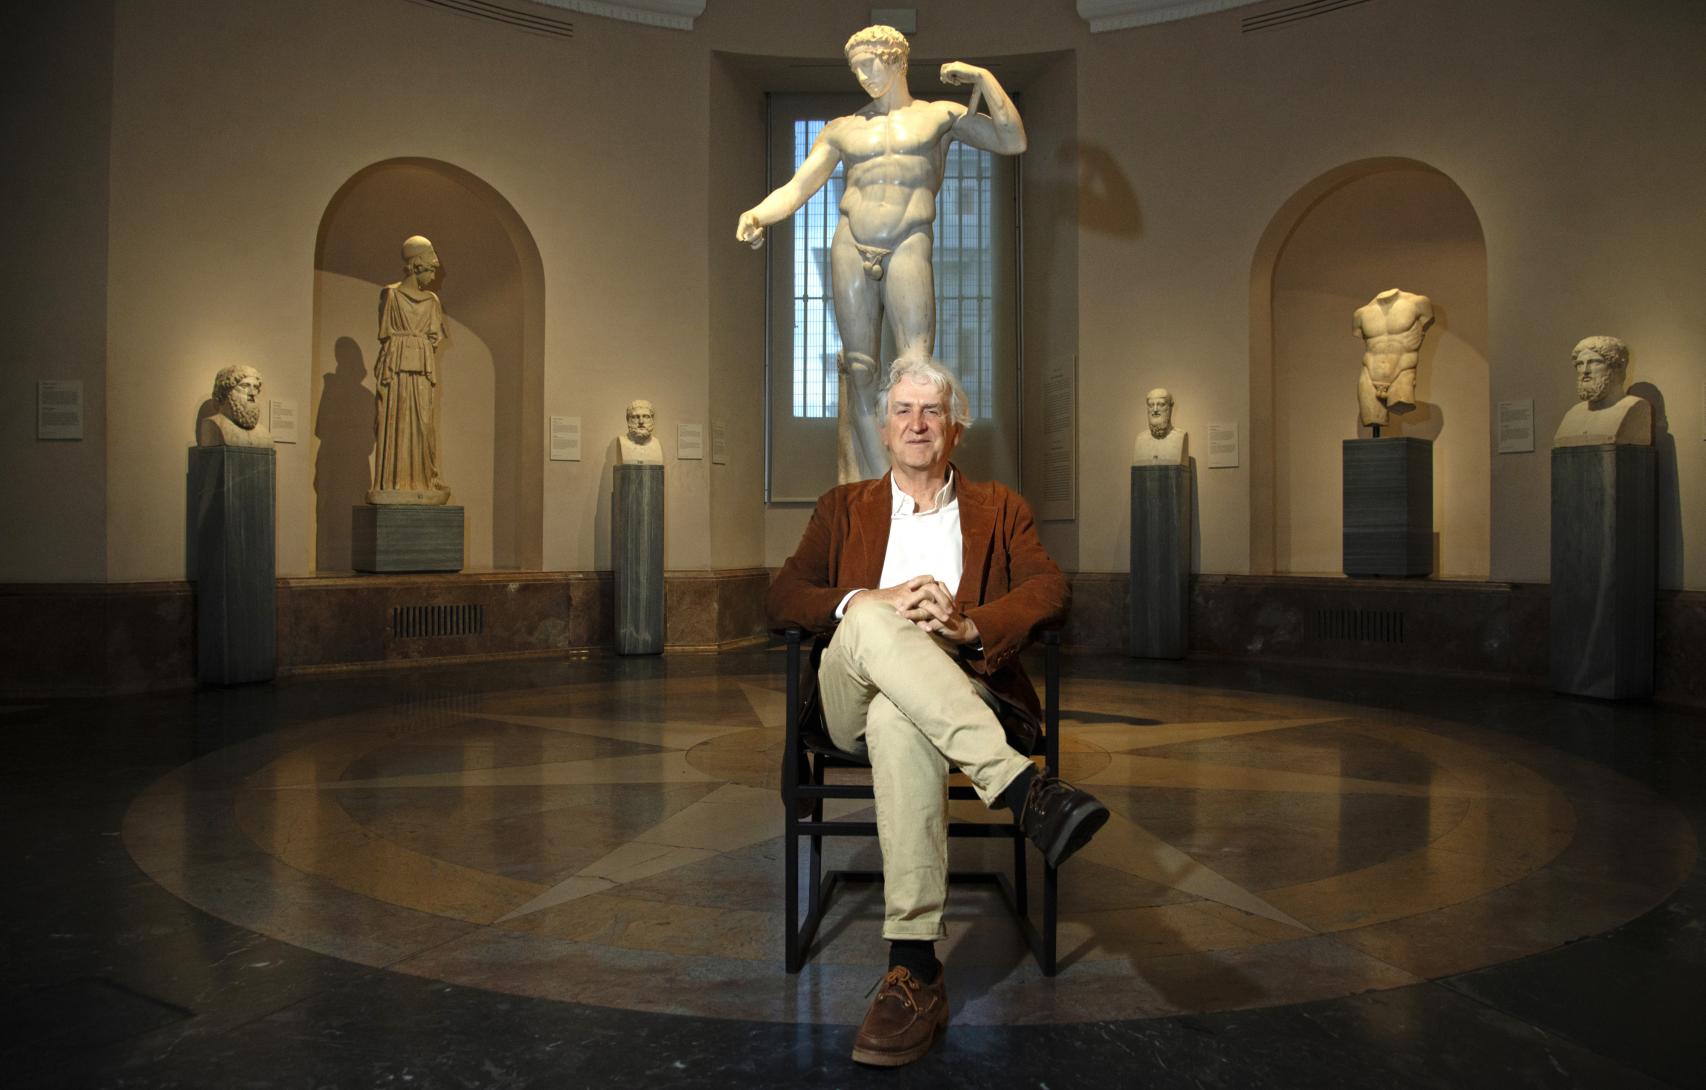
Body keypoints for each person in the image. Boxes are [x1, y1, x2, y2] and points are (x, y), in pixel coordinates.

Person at [767, 356, 1108, 1067]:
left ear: (956, 428)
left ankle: (914, 966)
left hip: (956, 691)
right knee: (864, 620)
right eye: (902, 411)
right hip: (845, 700)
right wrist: (871, 603)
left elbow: (1051, 588)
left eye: (932, 411)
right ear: (884, 430)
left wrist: (968, 624)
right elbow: (785, 594)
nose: (917, 423)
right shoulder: (843, 507)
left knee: (903, 719)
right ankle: (1021, 787)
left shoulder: (999, 508)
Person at [737, 25, 1027, 484]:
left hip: (909, 238)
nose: (863, 77)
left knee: (915, 367)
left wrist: (982, 79)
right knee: (860, 367)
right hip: (851, 241)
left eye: (869, 66)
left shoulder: (938, 117)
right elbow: (798, 187)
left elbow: (1012, 140)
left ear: (895, 60)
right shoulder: (843, 130)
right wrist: (758, 214)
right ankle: (877, 487)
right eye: (855, 70)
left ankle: (912, 479)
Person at [369, 235, 451, 505]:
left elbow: (435, 338)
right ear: (417, 265)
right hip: (398, 370)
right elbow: (387, 337)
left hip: (421, 373)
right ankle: (392, 482)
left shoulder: (432, 302)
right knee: (396, 422)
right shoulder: (391, 294)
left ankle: (424, 479)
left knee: (423, 425)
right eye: (431, 270)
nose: (433, 276)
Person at [1352, 288, 1434, 429]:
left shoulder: (1418, 304)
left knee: (1400, 404)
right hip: (1369, 372)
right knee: (1372, 420)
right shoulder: (1361, 314)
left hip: (1403, 371)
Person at [1552, 335, 1651, 447]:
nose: (1585, 371)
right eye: (1580, 364)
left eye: (1595, 362)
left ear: (1619, 366)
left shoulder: (1635, 408)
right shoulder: (1572, 414)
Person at [198, 364, 270, 447]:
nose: (252, 392)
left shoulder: (263, 433)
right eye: (244, 386)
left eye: (256, 387)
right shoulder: (214, 425)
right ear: (225, 391)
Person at [1132, 387, 1187, 465]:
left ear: (1171, 406)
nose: (1155, 410)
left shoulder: (1180, 437)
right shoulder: (1140, 439)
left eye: (1161, 404)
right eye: (1151, 405)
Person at [618, 399, 663, 463]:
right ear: (628, 420)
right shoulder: (622, 442)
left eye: (646, 416)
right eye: (636, 417)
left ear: (652, 420)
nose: (641, 421)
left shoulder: (657, 443)